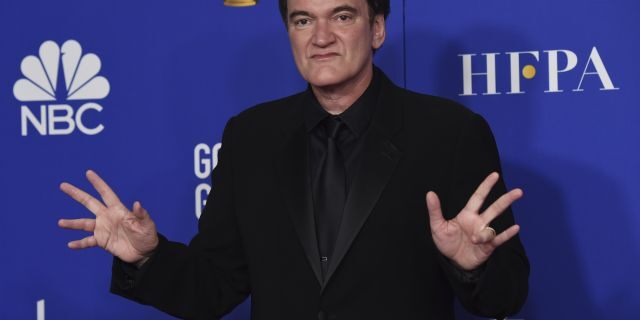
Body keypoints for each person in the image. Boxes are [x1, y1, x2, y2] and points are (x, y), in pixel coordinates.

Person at [58, 0, 529, 319]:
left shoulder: (449, 134)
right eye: (303, 20)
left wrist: (473, 267)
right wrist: (148, 258)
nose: (320, 36)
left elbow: (507, 294)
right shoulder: (250, 137)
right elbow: (215, 286)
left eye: (341, 16)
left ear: (379, 29)